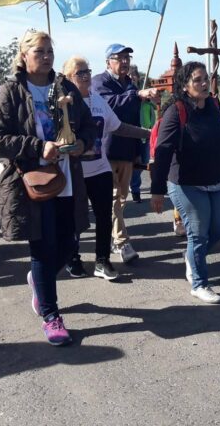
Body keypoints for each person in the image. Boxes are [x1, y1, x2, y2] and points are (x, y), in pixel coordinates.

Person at [0, 31, 95, 346]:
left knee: (69, 245)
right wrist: (36, 146)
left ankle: (38, 279)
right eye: (38, 51)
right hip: (30, 181)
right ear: (24, 55)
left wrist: (82, 143)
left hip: (66, 177)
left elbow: (87, 125)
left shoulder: (66, 87)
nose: (45, 56)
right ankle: (51, 315)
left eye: (49, 51)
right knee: (44, 248)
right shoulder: (12, 90)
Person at [62, 56, 150, 281]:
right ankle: (72, 258)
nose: (86, 76)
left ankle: (102, 261)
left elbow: (118, 127)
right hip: (74, 170)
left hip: (100, 168)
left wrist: (147, 134)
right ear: (68, 78)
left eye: (88, 71)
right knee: (74, 218)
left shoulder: (97, 100)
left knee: (104, 215)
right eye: (80, 73)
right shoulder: (63, 103)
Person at [151, 62, 220, 304]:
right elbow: (163, 150)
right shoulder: (177, 110)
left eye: (205, 78)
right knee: (198, 234)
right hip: (185, 183)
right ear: (185, 86)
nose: (204, 83)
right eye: (197, 80)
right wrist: (157, 190)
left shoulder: (214, 105)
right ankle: (199, 283)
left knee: (219, 230)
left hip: (215, 180)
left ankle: (192, 258)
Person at [91, 44, 159, 263]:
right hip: (106, 150)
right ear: (108, 61)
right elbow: (111, 107)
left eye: (127, 57)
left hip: (127, 150)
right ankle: (122, 242)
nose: (125, 62)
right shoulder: (99, 82)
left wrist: (141, 150)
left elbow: (136, 119)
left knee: (121, 199)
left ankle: (113, 237)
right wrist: (137, 94)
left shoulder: (129, 83)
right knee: (112, 199)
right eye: (119, 58)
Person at [128, 64, 156, 203]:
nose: (133, 77)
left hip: (147, 134)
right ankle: (135, 190)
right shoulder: (130, 95)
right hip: (135, 134)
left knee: (144, 161)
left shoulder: (143, 94)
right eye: (130, 75)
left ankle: (133, 185)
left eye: (134, 75)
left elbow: (152, 111)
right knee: (136, 163)